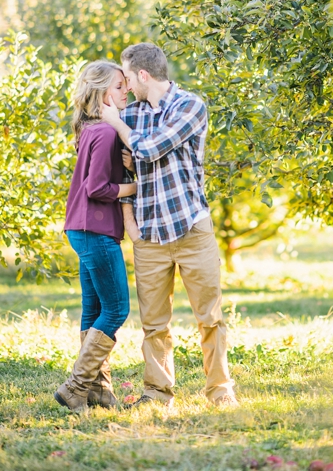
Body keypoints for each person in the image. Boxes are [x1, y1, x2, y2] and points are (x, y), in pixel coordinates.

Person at [100, 42, 237, 407]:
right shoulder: (133, 116)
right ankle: (157, 394)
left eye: (128, 78)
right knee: (154, 324)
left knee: (210, 317)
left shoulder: (190, 106)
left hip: (192, 228)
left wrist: (120, 128)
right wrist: (129, 220)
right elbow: (121, 166)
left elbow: (148, 150)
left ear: (143, 75)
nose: (125, 87)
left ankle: (220, 391)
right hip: (148, 234)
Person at [56, 61, 136, 412]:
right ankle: (75, 387)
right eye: (120, 86)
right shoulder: (105, 133)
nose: (127, 91)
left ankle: (98, 391)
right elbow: (97, 187)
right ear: (104, 93)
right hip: (95, 229)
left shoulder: (92, 128)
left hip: (82, 228)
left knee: (95, 309)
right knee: (117, 309)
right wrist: (137, 185)